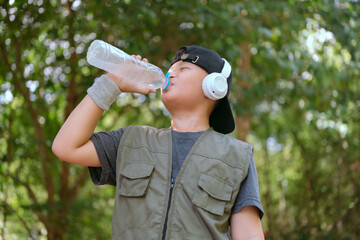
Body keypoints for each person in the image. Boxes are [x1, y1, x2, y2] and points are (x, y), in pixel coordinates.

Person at [52, 45, 264, 240]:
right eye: (170, 68)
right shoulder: (131, 141)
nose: (170, 73)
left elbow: (248, 235)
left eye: (183, 69)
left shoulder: (237, 156)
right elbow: (66, 147)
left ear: (214, 86)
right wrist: (111, 84)